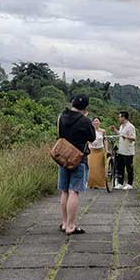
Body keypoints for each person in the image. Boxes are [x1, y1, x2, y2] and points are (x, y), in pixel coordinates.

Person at [57, 95, 96, 235]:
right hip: (78, 159)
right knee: (74, 191)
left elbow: (59, 134)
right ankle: (71, 226)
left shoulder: (61, 116)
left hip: (62, 157)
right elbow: (92, 137)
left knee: (64, 191)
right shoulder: (85, 121)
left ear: (72, 103)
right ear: (85, 108)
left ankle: (64, 223)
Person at [110, 111, 136, 190]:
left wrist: (126, 136)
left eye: (119, 117)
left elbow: (133, 138)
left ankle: (130, 184)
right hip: (121, 150)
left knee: (129, 168)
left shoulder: (130, 126)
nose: (119, 118)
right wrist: (115, 131)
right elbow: (120, 134)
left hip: (128, 151)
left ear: (124, 117)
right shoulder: (121, 126)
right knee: (120, 167)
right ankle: (120, 183)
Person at [87, 117, 107, 189]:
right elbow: (87, 140)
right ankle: (91, 184)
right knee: (91, 168)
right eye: (94, 121)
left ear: (99, 122)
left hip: (100, 150)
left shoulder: (103, 131)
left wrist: (106, 149)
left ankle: (99, 184)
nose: (96, 123)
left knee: (100, 168)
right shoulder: (89, 130)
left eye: (97, 121)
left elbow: (105, 140)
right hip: (92, 150)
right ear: (92, 123)